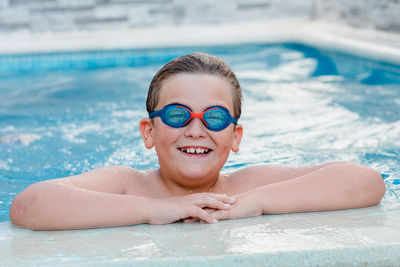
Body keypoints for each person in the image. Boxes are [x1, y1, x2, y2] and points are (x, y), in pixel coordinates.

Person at [10, 53, 386, 230]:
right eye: (177, 114)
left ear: (234, 136)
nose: (196, 128)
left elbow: (365, 180)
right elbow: (30, 205)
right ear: (149, 132)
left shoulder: (246, 186)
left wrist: (256, 203)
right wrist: (151, 209)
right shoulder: (126, 184)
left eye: (216, 117)